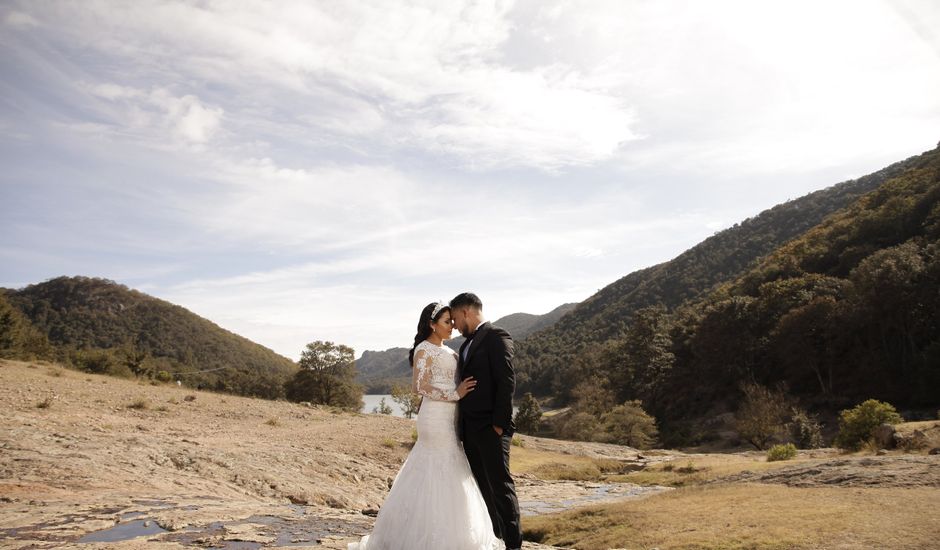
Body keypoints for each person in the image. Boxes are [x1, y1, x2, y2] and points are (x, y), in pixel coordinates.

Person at [347, 302, 505, 550]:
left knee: (452, 464)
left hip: (451, 417)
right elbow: (418, 387)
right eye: (446, 322)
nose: (451, 325)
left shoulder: (451, 352)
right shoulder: (424, 349)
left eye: (452, 321)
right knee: (435, 465)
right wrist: (455, 394)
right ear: (432, 324)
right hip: (434, 418)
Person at [449, 292, 522, 550]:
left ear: (466, 312)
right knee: (483, 488)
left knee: (500, 486)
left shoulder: (496, 336)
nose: (455, 325)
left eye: (456, 318)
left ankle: (513, 545)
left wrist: (499, 424)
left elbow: (507, 380)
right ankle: (497, 540)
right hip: (470, 431)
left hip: (492, 428)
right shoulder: (465, 345)